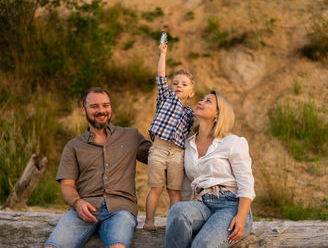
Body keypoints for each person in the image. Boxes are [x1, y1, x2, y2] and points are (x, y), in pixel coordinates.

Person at [45, 87, 151, 248]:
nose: (101, 111)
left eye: (105, 105)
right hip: (84, 209)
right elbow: (66, 185)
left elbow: (158, 158)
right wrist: (77, 203)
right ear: (83, 109)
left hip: (120, 210)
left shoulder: (131, 136)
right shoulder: (73, 146)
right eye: (94, 106)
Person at [164, 91, 255, 248]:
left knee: (202, 244)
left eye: (208, 101)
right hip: (203, 204)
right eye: (201, 99)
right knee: (178, 211)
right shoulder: (188, 143)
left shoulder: (232, 142)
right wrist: (174, 222)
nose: (200, 102)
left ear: (217, 114)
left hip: (231, 206)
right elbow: (186, 185)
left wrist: (241, 217)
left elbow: (246, 182)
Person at [143, 42, 195, 231]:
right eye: (175, 83)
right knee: (156, 188)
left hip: (177, 153)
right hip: (158, 149)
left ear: (191, 92)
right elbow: (160, 76)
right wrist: (163, 54)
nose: (178, 86)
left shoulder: (190, 113)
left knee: (175, 191)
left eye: (184, 84)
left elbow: (190, 132)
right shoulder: (166, 97)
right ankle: (149, 221)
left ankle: (174, 224)